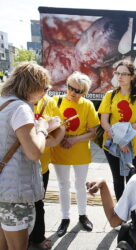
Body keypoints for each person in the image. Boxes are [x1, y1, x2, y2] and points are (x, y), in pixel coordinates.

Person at [0, 62, 59, 250]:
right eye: (44, 87)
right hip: (15, 191)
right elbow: (34, 152)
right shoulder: (21, 108)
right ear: (32, 85)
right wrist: (42, 129)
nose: (45, 93)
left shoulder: (3, 103)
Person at [51, 72, 100, 237]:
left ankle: (82, 215)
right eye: (71, 88)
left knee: (80, 184)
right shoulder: (55, 101)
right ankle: (65, 218)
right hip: (59, 149)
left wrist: (74, 140)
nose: (73, 92)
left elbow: (93, 132)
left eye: (78, 91)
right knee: (63, 184)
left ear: (84, 92)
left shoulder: (87, 105)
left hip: (80, 150)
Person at [98, 60, 136, 201]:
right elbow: (104, 122)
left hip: (132, 146)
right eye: (117, 73)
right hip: (112, 145)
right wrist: (119, 141)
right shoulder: (110, 95)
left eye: (124, 74)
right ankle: (121, 213)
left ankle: (133, 213)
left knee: (132, 180)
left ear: (132, 76)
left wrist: (124, 139)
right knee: (117, 180)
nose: (120, 77)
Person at [29, 95, 65, 249]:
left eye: (45, 88)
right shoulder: (15, 103)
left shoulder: (49, 102)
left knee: (38, 203)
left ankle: (37, 237)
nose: (43, 92)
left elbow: (60, 128)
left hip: (40, 165)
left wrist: (45, 141)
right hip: (17, 167)